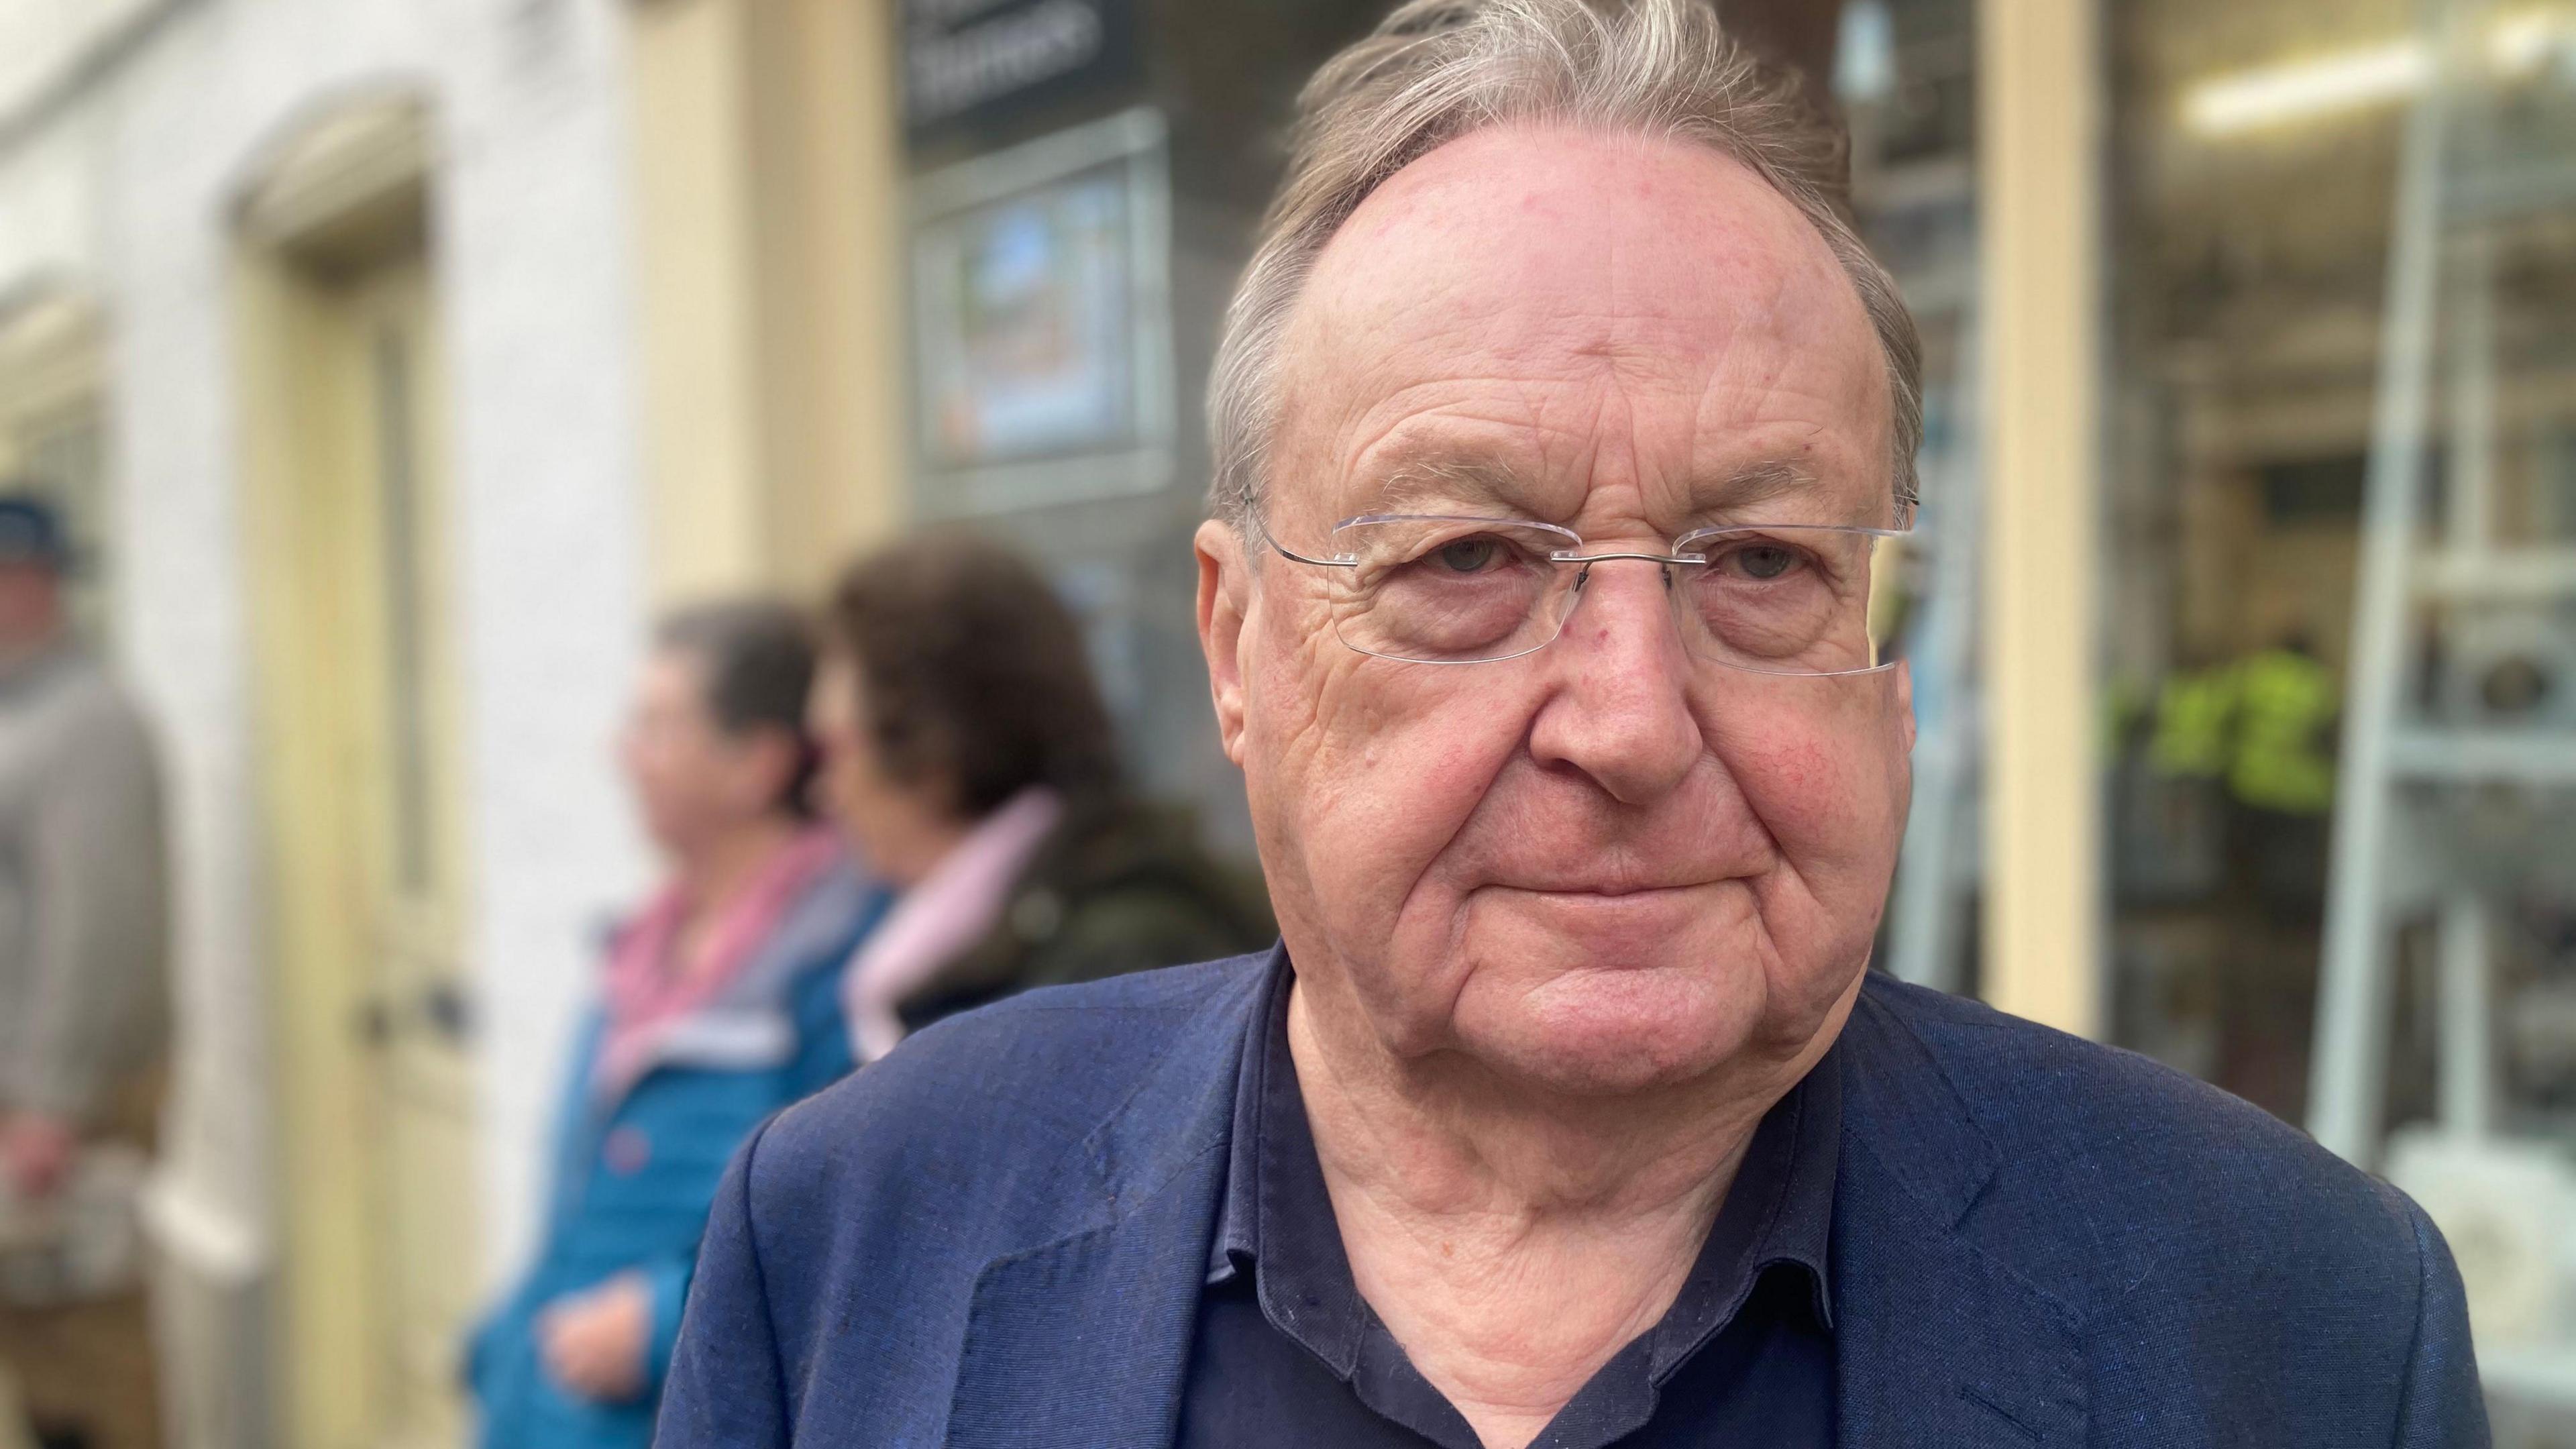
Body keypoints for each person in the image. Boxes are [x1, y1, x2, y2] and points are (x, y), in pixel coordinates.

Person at [658, 3, 2486, 1446]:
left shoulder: (2298, 1319)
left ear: (1889, 662)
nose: (1631, 722)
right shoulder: (851, 1237)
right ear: (1240, 647)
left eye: (1761, 559)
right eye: (1466, 557)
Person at [467, 602, 885, 1449]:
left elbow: (854, 1216)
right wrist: (499, 1351)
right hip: (542, 1409)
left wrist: (661, 1321)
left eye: (659, 727)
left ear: (757, 766)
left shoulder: (839, 969)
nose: (624, 756)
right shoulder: (640, 954)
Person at [806, 531, 1271, 1057]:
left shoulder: (1118, 961)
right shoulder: (988, 937)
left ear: (933, 755)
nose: (826, 792)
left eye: (837, 751)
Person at [0, 495, 169, 1449]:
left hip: (68, 1107)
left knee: (93, 1360)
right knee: (41, 1355)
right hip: (30, 1098)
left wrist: (53, 1102)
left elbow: (99, 924)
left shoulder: (85, 722)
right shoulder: (24, 711)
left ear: (30, 583)